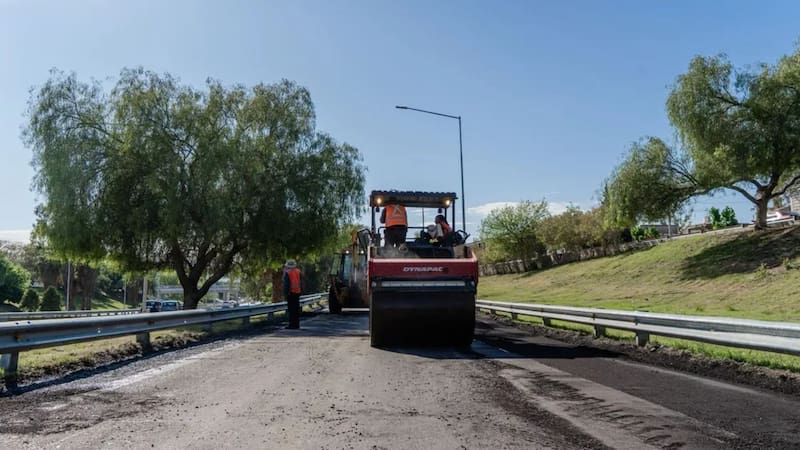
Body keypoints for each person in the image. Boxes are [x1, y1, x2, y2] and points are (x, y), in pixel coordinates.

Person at [282, 259, 302, 329]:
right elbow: (301, 282)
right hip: (297, 292)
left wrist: (285, 294)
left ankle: (291, 325)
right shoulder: (298, 271)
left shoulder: (288, 272)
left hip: (291, 293)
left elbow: (286, 285)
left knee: (291, 310)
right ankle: (297, 324)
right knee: (296, 310)